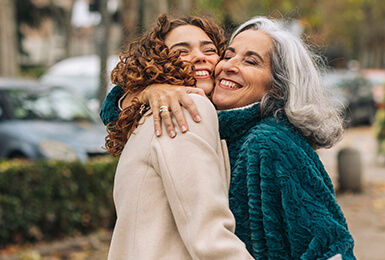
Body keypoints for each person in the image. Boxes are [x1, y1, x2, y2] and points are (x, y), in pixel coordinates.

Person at [102, 16, 356, 259]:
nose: (227, 65)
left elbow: (327, 243)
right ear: (156, 62)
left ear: (278, 85)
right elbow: (112, 113)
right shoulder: (183, 112)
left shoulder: (269, 141)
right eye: (228, 55)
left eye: (251, 61)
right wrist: (147, 91)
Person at [104, 15, 252, 260]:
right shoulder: (185, 108)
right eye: (182, 51)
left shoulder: (149, 116)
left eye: (210, 50)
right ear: (157, 61)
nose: (200, 56)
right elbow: (208, 235)